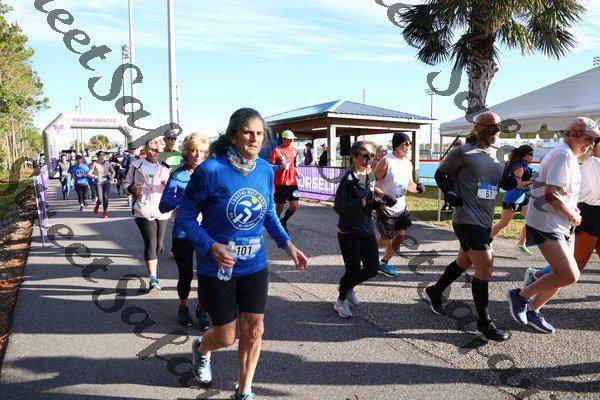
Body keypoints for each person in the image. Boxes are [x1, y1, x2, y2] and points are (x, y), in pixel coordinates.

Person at [176, 108, 308, 400]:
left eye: (259, 134)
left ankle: (244, 389)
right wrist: (212, 246)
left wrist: (288, 245)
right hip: (217, 267)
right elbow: (185, 218)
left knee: (254, 329)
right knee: (226, 336)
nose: (254, 138)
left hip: (254, 265)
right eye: (248, 132)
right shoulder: (210, 170)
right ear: (233, 135)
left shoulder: (265, 170)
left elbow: (269, 214)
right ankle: (202, 348)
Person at [425, 111, 518, 342]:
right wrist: (450, 193)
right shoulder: (462, 152)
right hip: (466, 218)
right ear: (477, 128)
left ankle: (435, 291)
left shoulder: (498, 155)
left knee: (464, 261)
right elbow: (440, 175)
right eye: (491, 126)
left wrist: (513, 170)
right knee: (485, 264)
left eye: (498, 126)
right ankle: (484, 323)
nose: (496, 130)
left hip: (485, 219)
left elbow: (505, 184)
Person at [507, 117, 600, 334]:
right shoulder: (563, 155)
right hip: (547, 224)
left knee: (561, 274)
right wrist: (572, 213)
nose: (591, 144)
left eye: (594, 141)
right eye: (588, 139)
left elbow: (562, 192)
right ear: (573, 134)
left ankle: (533, 310)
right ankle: (520, 296)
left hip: (560, 224)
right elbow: (550, 194)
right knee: (570, 274)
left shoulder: (570, 156)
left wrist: (573, 209)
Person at [159, 132, 213, 330]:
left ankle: (202, 309)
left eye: (201, 151)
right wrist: (183, 200)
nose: (197, 154)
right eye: (193, 150)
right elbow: (163, 206)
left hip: (207, 231)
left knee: (207, 274)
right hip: (183, 233)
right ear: (186, 153)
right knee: (186, 274)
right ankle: (183, 306)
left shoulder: (210, 174)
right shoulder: (177, 175)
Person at [333, 141, 379, 318]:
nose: (369, 159)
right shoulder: (348, 179)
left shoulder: (370, 176)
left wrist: (380, 203)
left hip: (366, 229)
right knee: (352, 270)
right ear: (354, 157)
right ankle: (340, 301)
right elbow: (338, 207)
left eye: (372, 155)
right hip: (348, 232)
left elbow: (369, 202)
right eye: (365, 155)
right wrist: (356, 204)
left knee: (372, 269)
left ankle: (348, 286)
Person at [373, 132, 425, 278]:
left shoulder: (408, 163)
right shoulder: (386, 161)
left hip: (401, 207)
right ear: (397, 145)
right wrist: (384, 196)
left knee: (399, 238)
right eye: (406, 143)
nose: (409, 146)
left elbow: (409, 184)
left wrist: (418, 189)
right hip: (385, 207)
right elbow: (370, 183)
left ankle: (383, 263)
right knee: (387, 240)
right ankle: (364, 244)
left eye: (410, 144)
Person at [124, 139, 172, 292]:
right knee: (150, 244)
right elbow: (126, 184)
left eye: (156, 150)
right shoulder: (136, 165)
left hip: (161, 209)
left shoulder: (165, 167)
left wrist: (168, 186)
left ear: (160, 151)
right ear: (145, 150)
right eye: (150, 150)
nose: (152, 153)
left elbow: (174, 188)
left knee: (158, 245)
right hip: (143, 209)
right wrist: (132, 188)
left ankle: (157, 250)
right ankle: (153, 279)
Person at [490, 145, 535, 255]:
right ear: (523, 155)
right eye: (530, 154)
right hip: (512, 199)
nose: (532, 156)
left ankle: (521, 244)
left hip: (522, 198)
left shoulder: (522, 165)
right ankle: (486, 241)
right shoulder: (519, 166)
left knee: (532, 221)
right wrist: (532, 181)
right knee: (503, 223)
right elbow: (517, 184)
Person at [268, 130, 301, 234]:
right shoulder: (277, 151)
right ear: (283, 139)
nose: (291, 141)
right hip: (280, 184)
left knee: (294, 207)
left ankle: (283, 221)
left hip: (293, 183)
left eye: (292, 139)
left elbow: (295, 165)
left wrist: (297, 172)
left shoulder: (295, 150)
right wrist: (280, 167)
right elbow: (269, 166)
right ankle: (277, 228)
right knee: (278, 210)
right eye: (289, 139)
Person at [88, 151, 116, 218]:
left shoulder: (107, 163)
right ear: (98, 156)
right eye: (100, 155)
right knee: (100, 200)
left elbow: (113, 172)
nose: (102, 156)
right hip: (98, 183)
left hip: (106, 182)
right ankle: (97, 205)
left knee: (105, 197)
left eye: (103, 155)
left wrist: (111, 176)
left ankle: (105, 212)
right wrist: (95, 177)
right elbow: (89, 173)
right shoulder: (95, 163)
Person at [441, 139, 463, 212]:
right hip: (450, 175)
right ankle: (447, 204)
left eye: (457, 144)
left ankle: (452, 206)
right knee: (448, 189)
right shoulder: (451, 153)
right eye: (455, 144)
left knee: (455, 191)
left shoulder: (461, 153)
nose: (455, 146)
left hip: (457, 176)